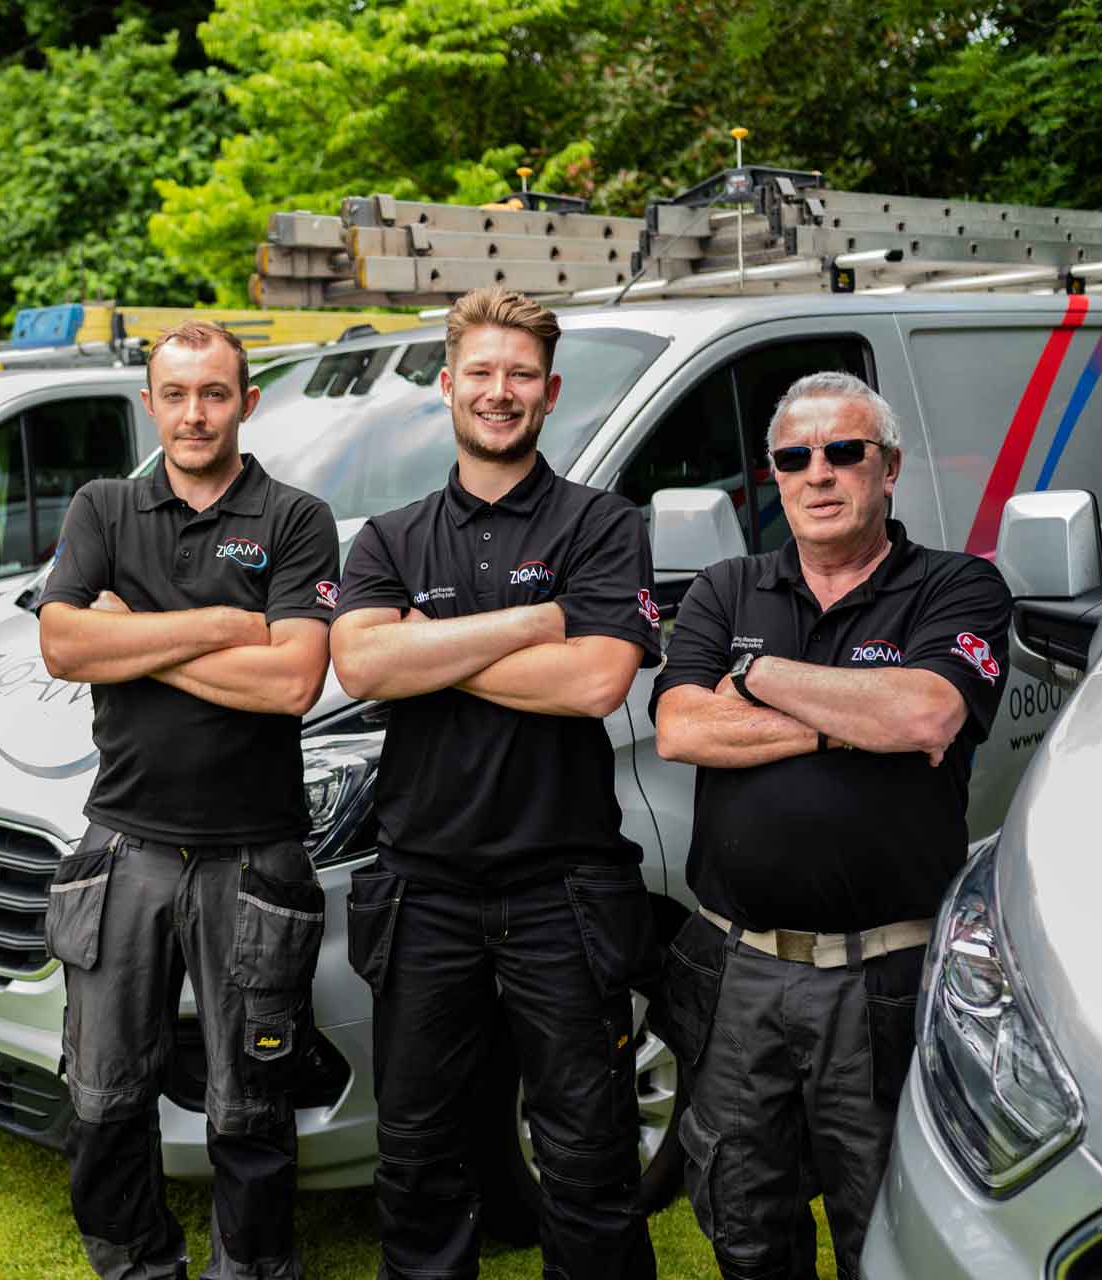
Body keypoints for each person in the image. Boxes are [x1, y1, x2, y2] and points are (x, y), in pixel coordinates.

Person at [329, 286, 662, 1280]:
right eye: (481, 371)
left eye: (521, 373)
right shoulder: (390, 536)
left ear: (551, 391)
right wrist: (532, 621)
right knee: (421, 1160)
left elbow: (598, 678)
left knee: (589, 1156)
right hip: (422, 893)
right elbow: (361, 667)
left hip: (561, 893)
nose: (500, 390)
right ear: (447, 385)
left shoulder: (602, 525)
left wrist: (426, 645)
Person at [650, 371, 1012, 1277]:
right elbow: (681, 726)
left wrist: (762, 676)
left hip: (881, 981)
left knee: (883, 1223)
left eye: (844, 451)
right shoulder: (728, 586)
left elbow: (928, 715)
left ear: (887, 468)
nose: (819, 473)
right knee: (743, 1216)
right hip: (738, 974)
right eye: (794, 457)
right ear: (774, 475)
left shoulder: (958, 587)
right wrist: (848, 722)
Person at [36, 320, 340, 1280]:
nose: (195, 412)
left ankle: (249, 1272)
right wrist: (221, 624)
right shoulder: (103, 506)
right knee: (102, 1095)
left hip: (254, 858)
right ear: (150, 403)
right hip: (124, 848)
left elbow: (292, 683)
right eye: (177, 393)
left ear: (247, 403)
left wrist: (139, 633)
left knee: (250, 1105)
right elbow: (62, 647)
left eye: (215, 393)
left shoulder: (296, 518)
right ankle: (135, 1263)